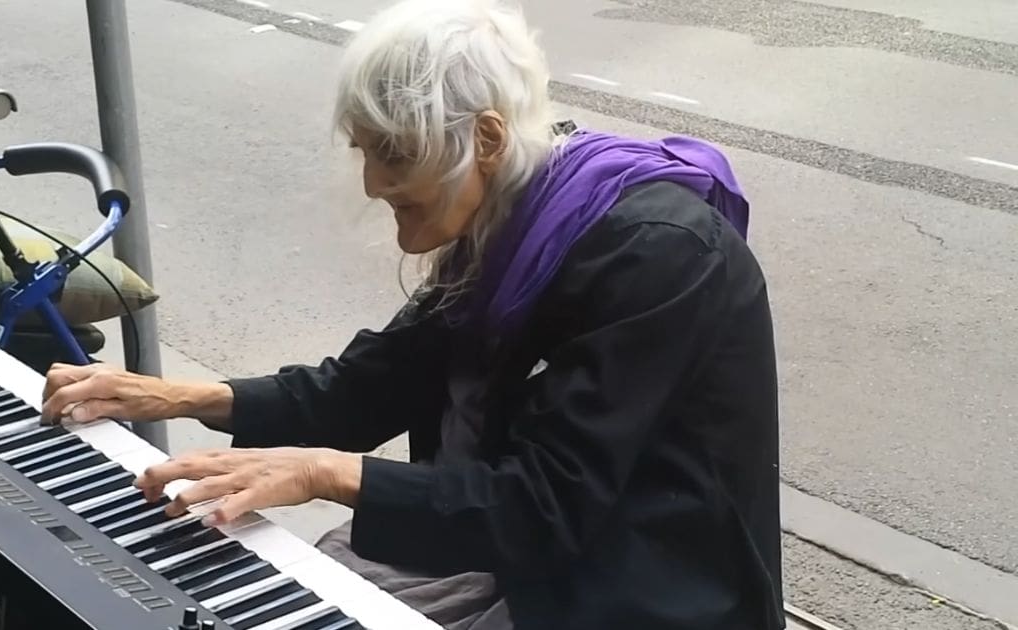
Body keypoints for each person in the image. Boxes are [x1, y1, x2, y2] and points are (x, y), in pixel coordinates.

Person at [40, 0, 784, 628]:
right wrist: (177, 396)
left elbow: (544, 507)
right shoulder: (510, 216)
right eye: (366, 150)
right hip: (525, 556)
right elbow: (371, 386)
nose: (371, 181)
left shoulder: (657, 256)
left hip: (634, 590)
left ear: (485, 138)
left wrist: (324, 472)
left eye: (393, 152)